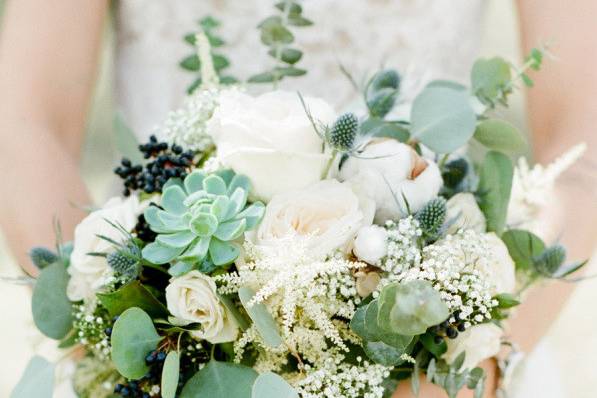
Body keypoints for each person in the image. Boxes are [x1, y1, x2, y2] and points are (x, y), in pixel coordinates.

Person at [0, 1, 595, 397]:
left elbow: (584, 141)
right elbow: (25, 121)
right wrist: (107, 331)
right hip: (170, 318)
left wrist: (478, 361)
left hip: (438, 342)